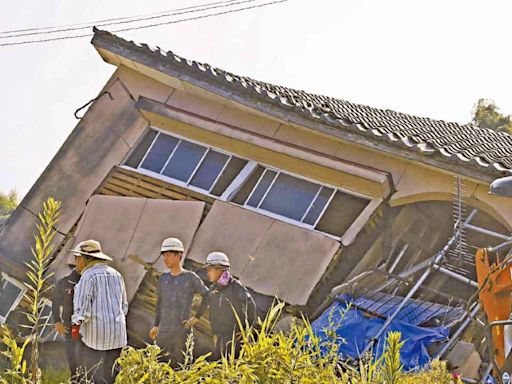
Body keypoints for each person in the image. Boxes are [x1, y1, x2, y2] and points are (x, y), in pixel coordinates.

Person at [70, 239, 128, 384]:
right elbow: (124, 306)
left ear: (83, 259)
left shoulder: (87, 277)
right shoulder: (117, 275)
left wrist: (75, 327)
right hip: (117, 337)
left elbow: (82, 313)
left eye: (76, 258)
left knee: (90, 376)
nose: (75, 262)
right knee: (111, 378)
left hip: (95, 340)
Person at [149, 237, 209, 368]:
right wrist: (156, 325)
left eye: (168, 255)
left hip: (182, 332)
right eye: (164, 256)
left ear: (179, 255)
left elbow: (207, 295)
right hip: (164, 331)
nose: (165, 259)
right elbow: (160, 303)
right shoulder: (163, 279)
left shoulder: (190, 277)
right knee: (159, 367)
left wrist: (197, 317)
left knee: (182, 368)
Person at [185, 252, 256, 359]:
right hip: (219, 336)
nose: (207, 273)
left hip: (234, 337)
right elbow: (206, 301)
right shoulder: (215, 288)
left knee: (230, 363)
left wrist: (246, 328)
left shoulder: (235, 287)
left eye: (209, 270)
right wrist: (197, 317)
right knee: (218, 361)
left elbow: (250, 305)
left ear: (218, 269)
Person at [51, 256, 82, 377]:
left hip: (89, 329)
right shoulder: (64, 283)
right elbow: (55, 304)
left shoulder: (92, 282)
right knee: (73, 363)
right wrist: (57, 321)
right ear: (78, 260)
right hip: (70, 328)